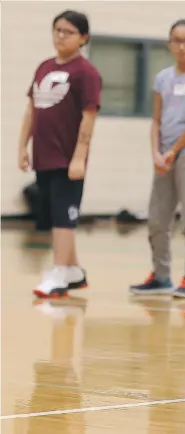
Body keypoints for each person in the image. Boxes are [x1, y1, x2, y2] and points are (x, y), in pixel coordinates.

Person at [18, 10, 102, 298]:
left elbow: (89, 116)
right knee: (54, 213)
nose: (60, 36)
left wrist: (79, 156)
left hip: (68, 159)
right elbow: (31, 110)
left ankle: (58, 272)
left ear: (83, 38)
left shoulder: (86, 73)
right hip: (43, 154)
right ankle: (74, 271)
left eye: (67, 32)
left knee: (64, 217)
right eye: (57, 30)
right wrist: (22, 147)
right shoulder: (43, 67)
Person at [130, 19, 185, 298]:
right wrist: (156, 153)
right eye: (176, 40)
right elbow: (155, 120)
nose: (181, 46)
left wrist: (173, 151)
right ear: (169, 43)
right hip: (163, 157)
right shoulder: (163, 78)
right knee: (157, 219)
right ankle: (161, 276)